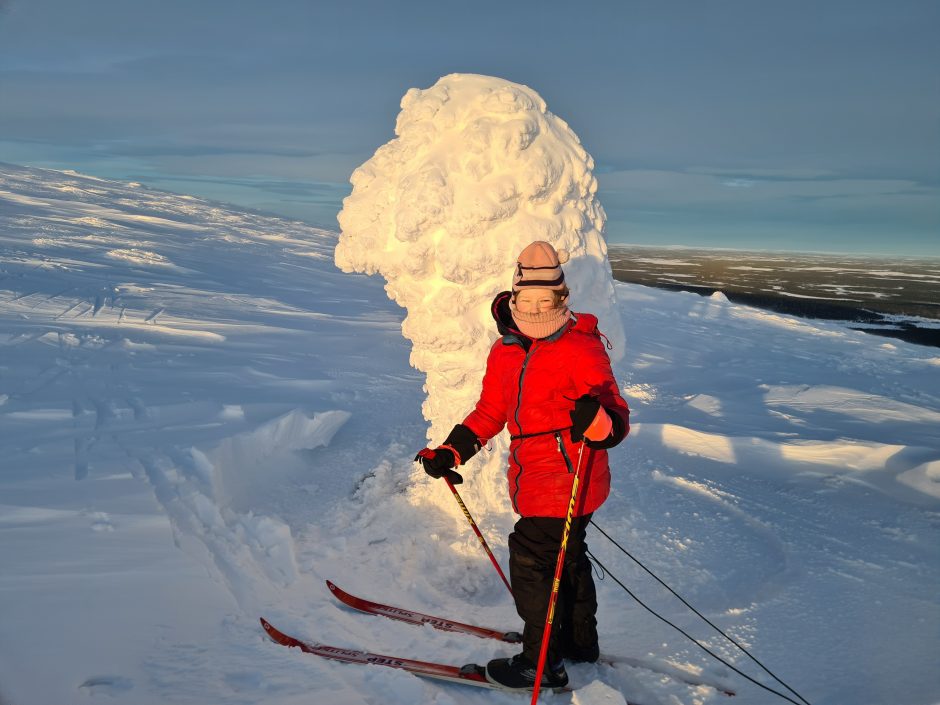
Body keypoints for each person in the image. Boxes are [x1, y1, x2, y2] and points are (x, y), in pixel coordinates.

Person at [415, 241, 630, 691]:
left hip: (570, 477)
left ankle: (541, 662)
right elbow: (491, 411)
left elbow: (615, 418)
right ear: (514, 296)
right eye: (526, 299)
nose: (534, 308)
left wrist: (598, 421)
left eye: (544, 299)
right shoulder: (506, 351)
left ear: (561, 298)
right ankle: (575, 643)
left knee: (533, 556)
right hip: (535, 476)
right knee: (566, 558)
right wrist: (452, 451)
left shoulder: (580, 348)